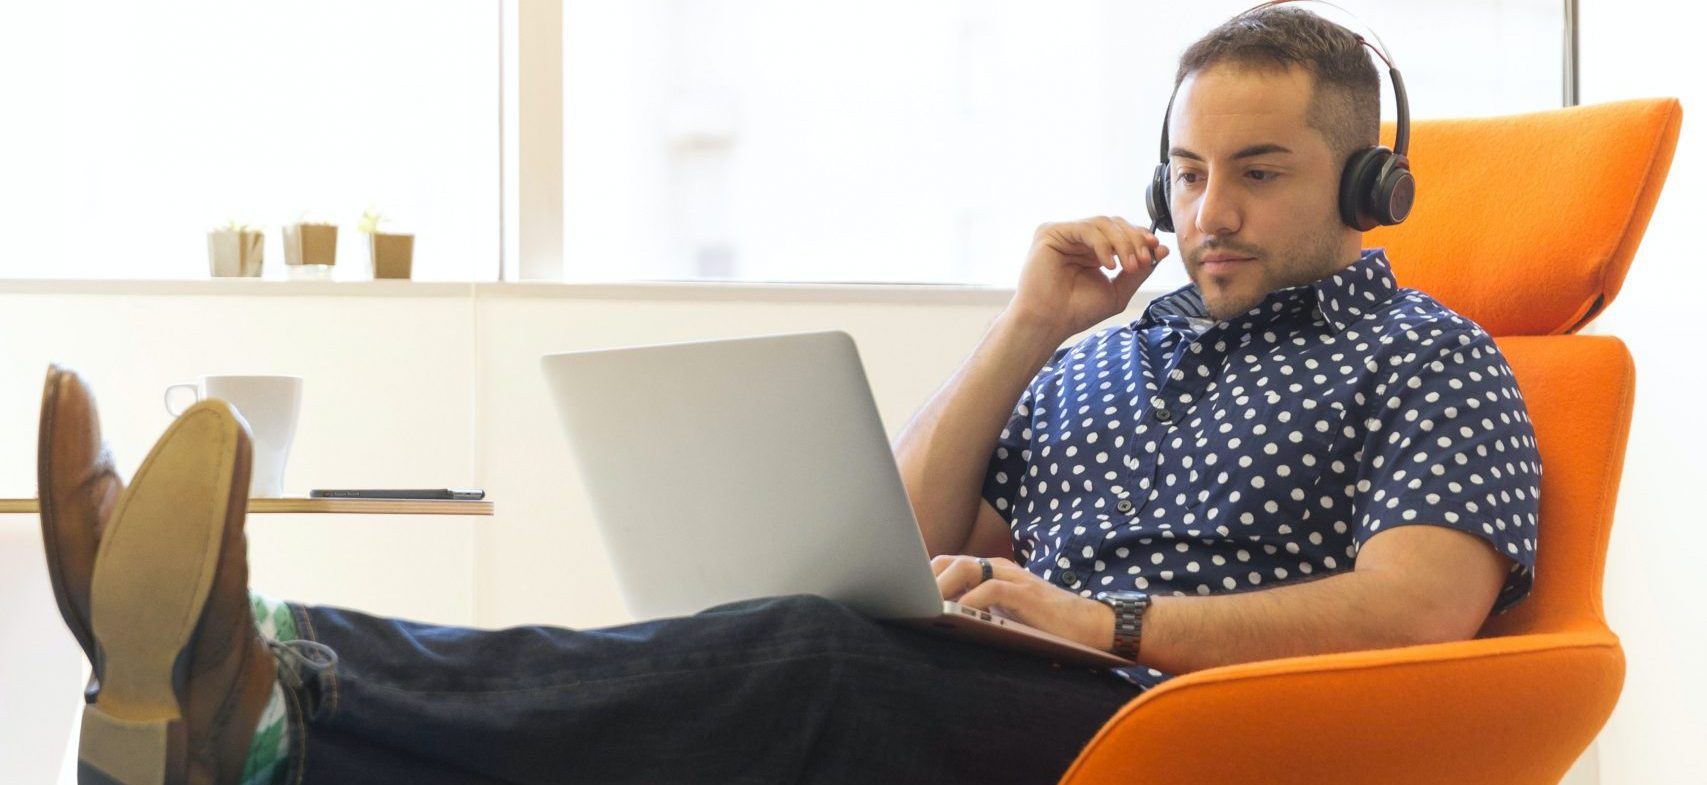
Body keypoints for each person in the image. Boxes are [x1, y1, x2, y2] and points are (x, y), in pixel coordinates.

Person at [41, 6, 1540, 785]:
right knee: (747, 671)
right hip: (998, 688)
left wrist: (1113, 622)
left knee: (804, 661)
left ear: (1366, 182)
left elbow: (1420, 607)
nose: (1210, 209)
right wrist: (1024, 329)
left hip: (1169, 724)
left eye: (1259, 173)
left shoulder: (1429, 356)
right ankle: (250, 696)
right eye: (1191, 171)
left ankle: (276, 684)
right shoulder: (1104, 353)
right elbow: (895, 533)